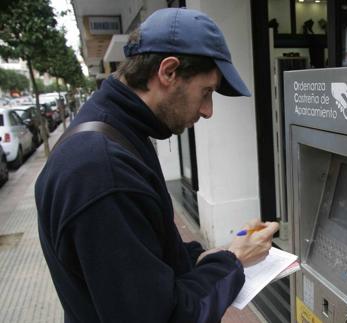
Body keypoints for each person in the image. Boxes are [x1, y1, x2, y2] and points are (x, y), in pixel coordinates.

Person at [35, 8, 278, 323]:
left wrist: (211, 256)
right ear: (168, 72)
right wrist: (232, 261)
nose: (208, 111)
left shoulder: (114, 129)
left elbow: (150, 252)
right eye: (206, 92)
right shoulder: (103, 171)